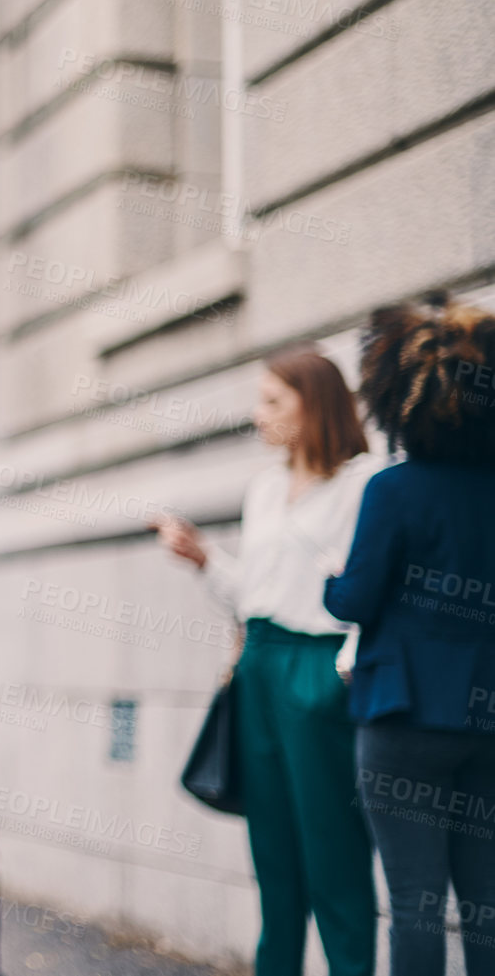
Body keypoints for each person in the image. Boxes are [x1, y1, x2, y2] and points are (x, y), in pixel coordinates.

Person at [154, 346, 380, 976]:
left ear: (316, 404)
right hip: (258, 665)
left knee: (333, 853)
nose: (258, 415)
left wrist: (339, 674)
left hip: (318, 669)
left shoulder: (363, 483)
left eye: (273, 401)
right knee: (273, 857)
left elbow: (372, 595)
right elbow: (257, 593)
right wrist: (203, 561)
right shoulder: (264, 489)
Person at [324, 294, 495, 976]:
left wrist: (328, 580)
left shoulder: (392, 490)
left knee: (414, 901)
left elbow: (354, 600)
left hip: (401, 714)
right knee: (484, 899)